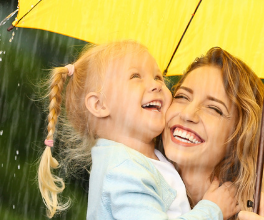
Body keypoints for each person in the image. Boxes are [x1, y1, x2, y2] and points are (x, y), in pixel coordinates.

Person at [35, 40, 239, 219]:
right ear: (99, 105)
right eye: (135, 76)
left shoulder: (146, 160)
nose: (156, 85)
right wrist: (213, 209)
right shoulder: (123, 171)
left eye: (158, 77)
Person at [162, 47, 264, 220]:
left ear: (242, 133)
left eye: (213, 108)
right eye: (182, 96)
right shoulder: (143, 195)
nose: (187, 114)